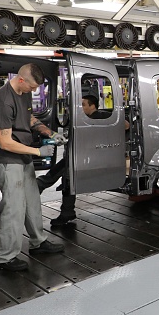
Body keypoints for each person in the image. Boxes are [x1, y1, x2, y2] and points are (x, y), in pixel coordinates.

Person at [0, 63, 66, 272]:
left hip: (23, 158)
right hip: (8, 160)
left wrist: (49, 133)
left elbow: (28, 118)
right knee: (14, 209)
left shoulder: (23, 93)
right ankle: (6, 258)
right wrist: (39, 152)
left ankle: (38, 242)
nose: (34, 91)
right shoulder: (3, 101)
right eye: (32, 87)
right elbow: (5, 142)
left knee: (32, 202)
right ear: (21, 79)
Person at [37, 94, 129, 226]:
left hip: (93, 155)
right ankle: (65, 211)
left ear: (92, 105)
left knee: (66, 172)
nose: (80, 107)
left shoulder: (102, 116)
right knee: (68, 177)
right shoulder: (83, 119)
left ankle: (42, 185)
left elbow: (126, 125)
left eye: (84, 104)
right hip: (80, 154)